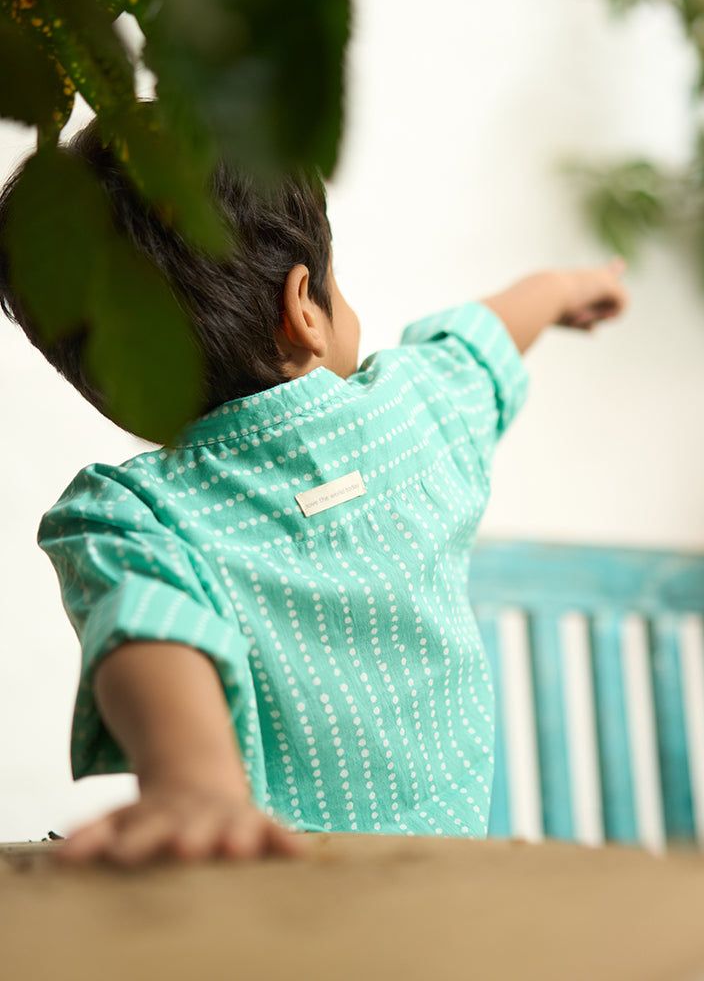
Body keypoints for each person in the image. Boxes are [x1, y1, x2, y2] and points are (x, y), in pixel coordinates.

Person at [0, 118, 627, 866]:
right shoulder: (414, 416)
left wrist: (193, 783)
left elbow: (148, 624)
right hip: (447, 886)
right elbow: (480, 338)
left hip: (277, 900)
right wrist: (567, 288)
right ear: (304, 309)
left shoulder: (131, 515)